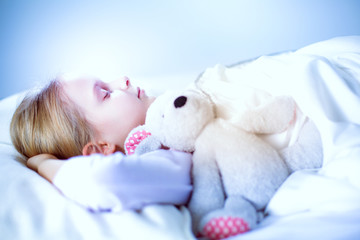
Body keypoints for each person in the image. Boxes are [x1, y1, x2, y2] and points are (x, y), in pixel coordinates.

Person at [10, 75, 193, 211]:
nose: (124, 80)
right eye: (106, 93)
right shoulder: (168, 156)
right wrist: (44, 163)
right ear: (100, 149)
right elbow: (100, 179)